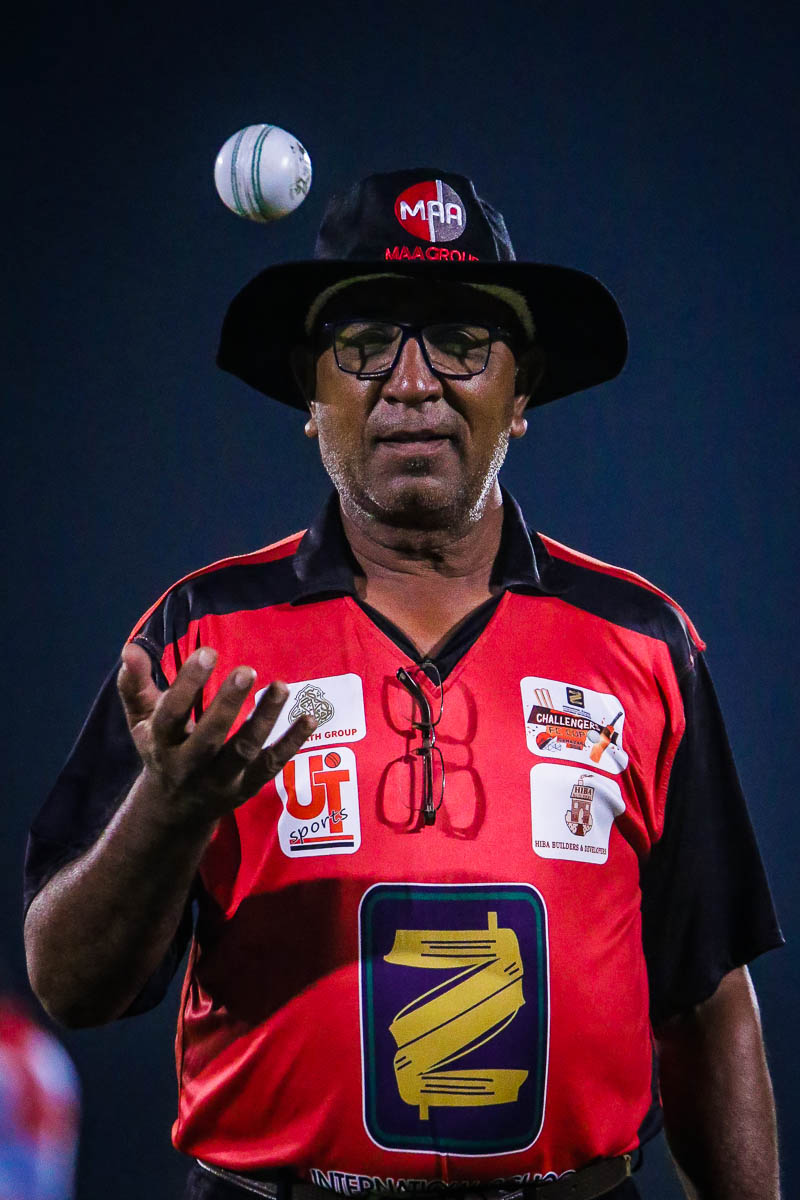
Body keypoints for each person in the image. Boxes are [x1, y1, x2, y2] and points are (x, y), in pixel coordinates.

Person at [23, 169, 783, 1200]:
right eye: (365, 341)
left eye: (461, 341)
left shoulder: (644, 643)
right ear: (310, 393)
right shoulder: (199, 638)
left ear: (522, 393)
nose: (412, 382)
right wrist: (168, 810)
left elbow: (706, 995)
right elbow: (71, 989)